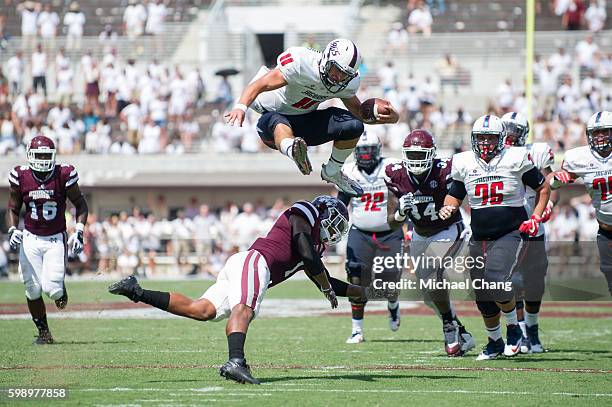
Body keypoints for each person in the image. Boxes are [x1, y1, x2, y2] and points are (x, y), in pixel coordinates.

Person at [109, 196, 371, 384]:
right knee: (243, 309)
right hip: (256, 261)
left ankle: (136, 291)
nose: (335, 232)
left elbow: (324, 277)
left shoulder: (316, 248)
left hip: (245, 265)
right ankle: (236, 361)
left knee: (202, 310)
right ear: (324, 213)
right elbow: (308, 255)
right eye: (335, 224)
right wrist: (325, 284)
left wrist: (363, 292)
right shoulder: (305, 213)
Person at [225, 39, 399, 197]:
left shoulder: (347, 83)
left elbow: (359, 114)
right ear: (326, 59)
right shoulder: (301, 63)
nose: (338, 77)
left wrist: (392, 117)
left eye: (344, 74)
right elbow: (259, 84)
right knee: (277, 120)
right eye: (336, 70)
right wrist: (241, 107)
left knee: (353, 125)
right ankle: (292, 148)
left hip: (306, 121)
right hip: (272, 118)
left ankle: (333, 171)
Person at [440, 114, 551, 360]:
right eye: (481, 138)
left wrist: (535, 217)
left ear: (501, 139)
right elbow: (455, 193)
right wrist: (449, 206)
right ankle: (494, 342)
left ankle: (513, 328)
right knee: (482, 294)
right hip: (479, 235)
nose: (486, 143)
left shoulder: (516, 157)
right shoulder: (464, 161)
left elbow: (543, 187)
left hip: (510, 231)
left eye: (490, 138)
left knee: (496, 277)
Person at [386, 129, 475, 356]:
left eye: (420, 155)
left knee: (432, 273)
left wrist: (451, 205)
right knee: (428, 295)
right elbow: (391, 222)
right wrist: (400, 214)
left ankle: (448, 326)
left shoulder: (445, 169)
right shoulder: (395, 174)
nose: (415, 160)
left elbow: (462, 186)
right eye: (412, 155)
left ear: (432, 153)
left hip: (448, 228)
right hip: (419, 234)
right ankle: (460, 331)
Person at [7, 135, 89, 344]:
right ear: (29, 156)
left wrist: (78, 231)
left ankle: (61, 290)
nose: (43, 159)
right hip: (30, 238)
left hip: (55, 239)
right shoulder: (20, 176)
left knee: (53, 291)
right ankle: (44, 334)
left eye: (46, 155)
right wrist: (12, 229)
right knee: (32, 289)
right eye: (39, 154)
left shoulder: (63, 174)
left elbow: (81, 204)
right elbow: (13, 207)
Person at [338, 133, 404, 344]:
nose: (365, 155)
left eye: (369, 150)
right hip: (360, 232)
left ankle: (392, 303)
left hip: (391, 231)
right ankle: (357, 329)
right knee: (356, 278)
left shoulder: (391, 168)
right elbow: (342, 203)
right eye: (361, 151)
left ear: (378, 149)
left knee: (390, 278)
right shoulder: (348, 171)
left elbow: (405, 197)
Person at [501, 112, 555, 354]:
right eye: (507, 131)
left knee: (535, 283)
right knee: (512, 282)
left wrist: (550, 203)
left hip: (533, 224)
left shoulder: (538, 152)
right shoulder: (495, 155)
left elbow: (550, 183)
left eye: (515, 132)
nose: (510, 136)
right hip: (507, 225)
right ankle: (521, 330)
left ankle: (531, 329)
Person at [550, 111, 611, 295]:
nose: (599, 136)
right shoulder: (580, 158)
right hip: (606, 230)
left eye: (604, 131)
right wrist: (558, 180)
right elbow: (554, 181)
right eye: (595, 132)